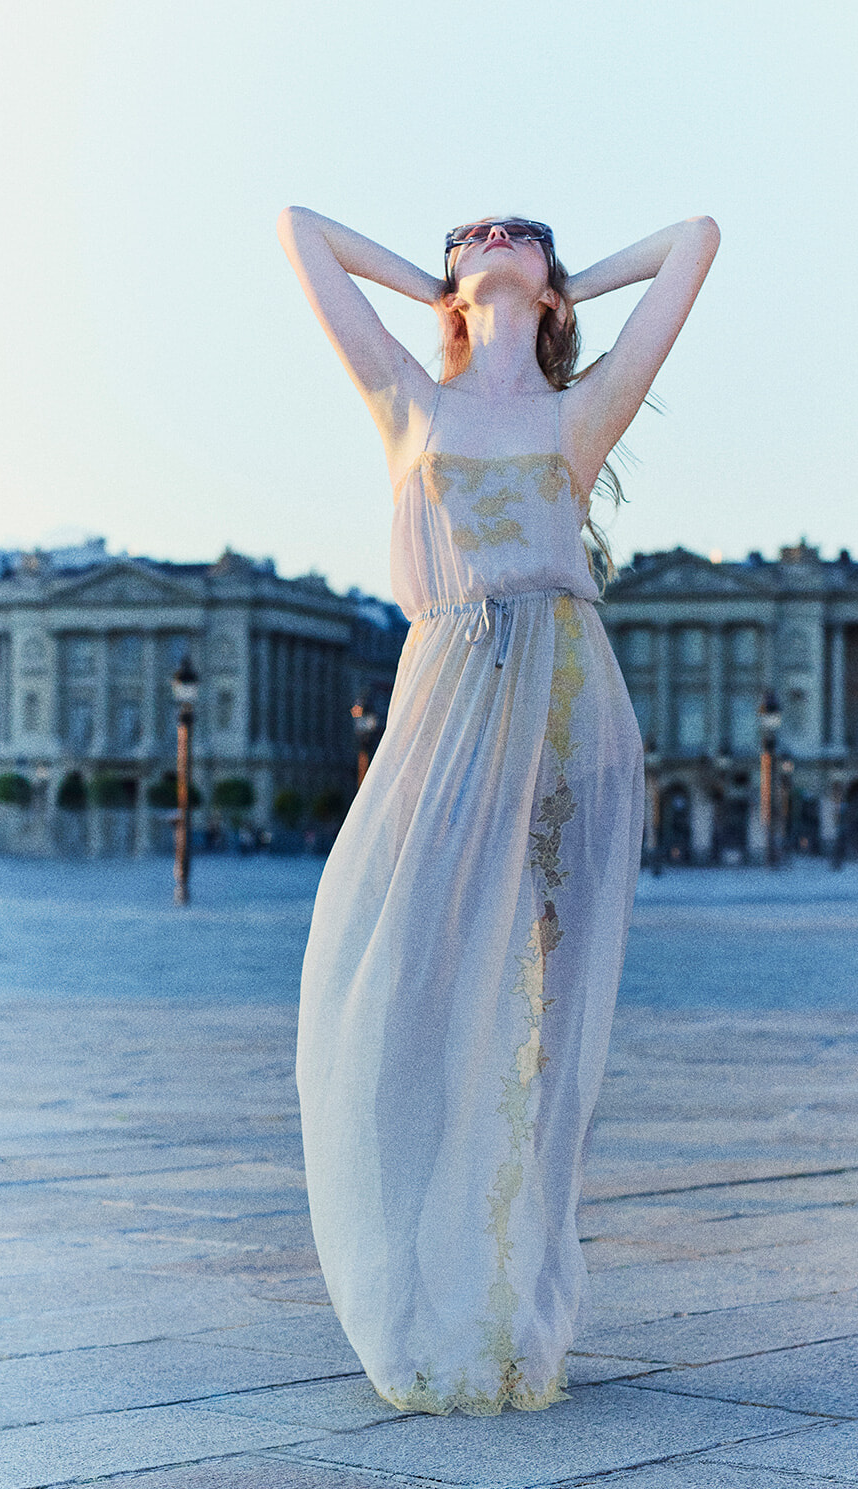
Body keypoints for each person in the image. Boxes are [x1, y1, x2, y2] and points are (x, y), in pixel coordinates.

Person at [279, 205, 719, 1415]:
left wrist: (556, 276)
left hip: (572, 717)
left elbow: (696, 240)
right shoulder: (406, 397)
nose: (493, 234)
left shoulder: (583, 415)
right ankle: (424, 1289)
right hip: (444, 708)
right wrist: (446, 282)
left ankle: (512, 1317)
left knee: (542, 1026)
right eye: (470, 232)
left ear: (558, 292)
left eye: (521, 231)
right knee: (395, 988)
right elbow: (299, 230)